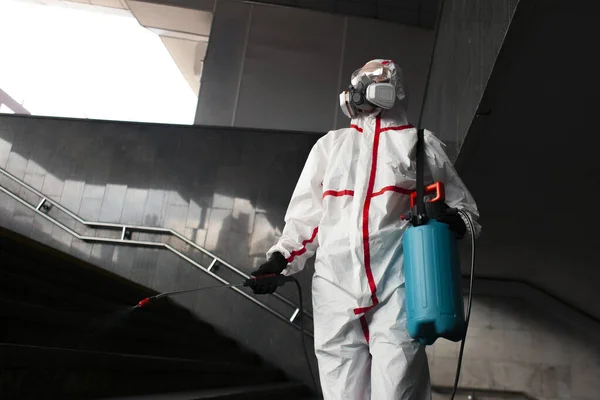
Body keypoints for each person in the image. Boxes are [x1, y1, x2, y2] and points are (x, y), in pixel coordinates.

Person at [250, 59, 480, 400]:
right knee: (341, 392)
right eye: (359, 82)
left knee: (398, 391)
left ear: (393, 90)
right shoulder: (331, 146)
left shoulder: (419, 143)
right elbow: (307, 218)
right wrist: (280, 259)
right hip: (334, 287)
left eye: (373, 82)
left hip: (398, 286)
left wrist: (453, 220)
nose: (360, 90)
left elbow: (468, 212)